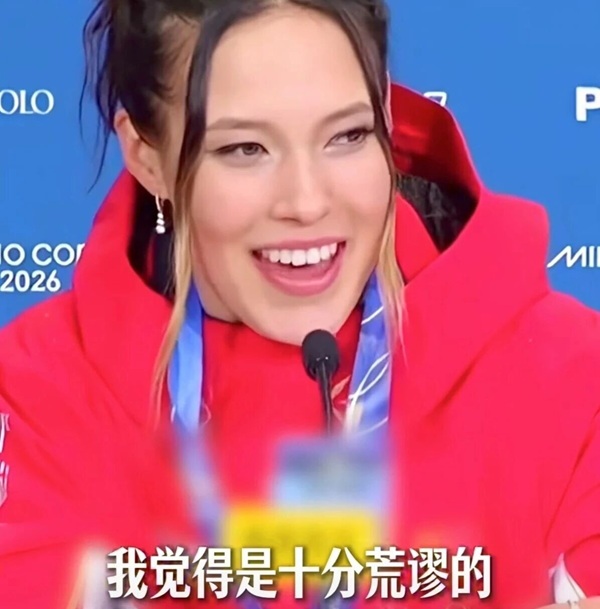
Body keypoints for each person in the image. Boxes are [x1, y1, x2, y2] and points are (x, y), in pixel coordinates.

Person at [0, 0, 599, 608]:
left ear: (387, 120)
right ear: (147, 155)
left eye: (347, 136)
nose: (307, 202)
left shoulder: (571, 374)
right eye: (245, 149)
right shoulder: (39, 390)